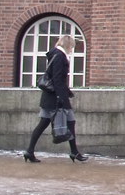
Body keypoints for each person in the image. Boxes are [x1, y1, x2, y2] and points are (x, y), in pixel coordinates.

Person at [23, 34, 87, 163]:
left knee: (44, 124)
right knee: (70, 122)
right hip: (56, 97)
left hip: (50, 97)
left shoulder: (56, 55)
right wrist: (61, 96)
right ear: (68, 45)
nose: (72, 49)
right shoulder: (59, 56)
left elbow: (55, 78)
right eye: (72, 46)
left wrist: (65, 92)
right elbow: (57, 79)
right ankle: (74, 152)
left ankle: (29, 151)